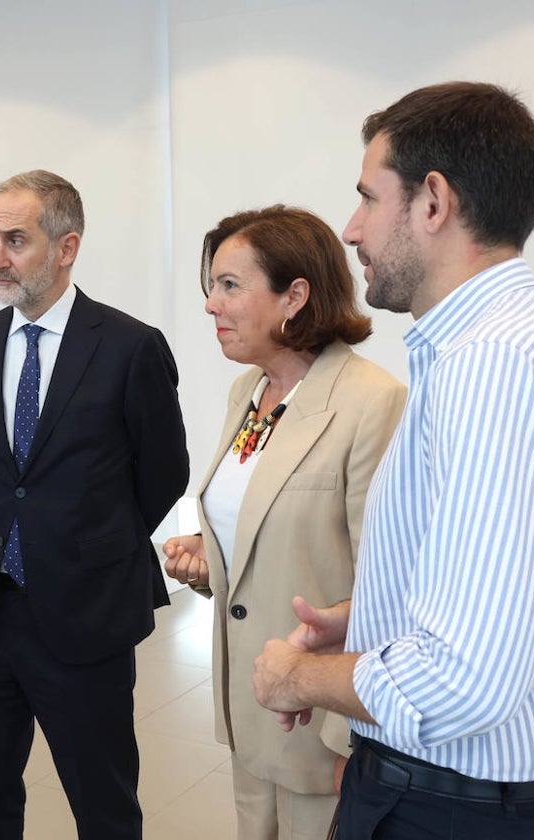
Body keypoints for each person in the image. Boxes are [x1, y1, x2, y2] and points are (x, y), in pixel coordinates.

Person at [252, 82, 534, 840]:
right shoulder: (521, 342)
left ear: (433, 202)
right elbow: (525, 587)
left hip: (448, 806)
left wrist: (300, 677)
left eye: (367, 198)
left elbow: (465, 679)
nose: (352, 230)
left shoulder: (489, 369)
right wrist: (373, 620)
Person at [0, 169, 189, 840]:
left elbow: (165, 472)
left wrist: (91, 541)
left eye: (16, 240)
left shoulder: (130, 347)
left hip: (87, 614)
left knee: (103, 804)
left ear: (66, 246)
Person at [162, 205, 405, 840]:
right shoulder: (248, 391)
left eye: (230, 286)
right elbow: (265, 530)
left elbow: (385, 587)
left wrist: (346, 743)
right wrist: (206, 558)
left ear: (294, 295)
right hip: (250, 706)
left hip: (319, 722)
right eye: (211, 286)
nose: (212, 305)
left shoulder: (370, 401)